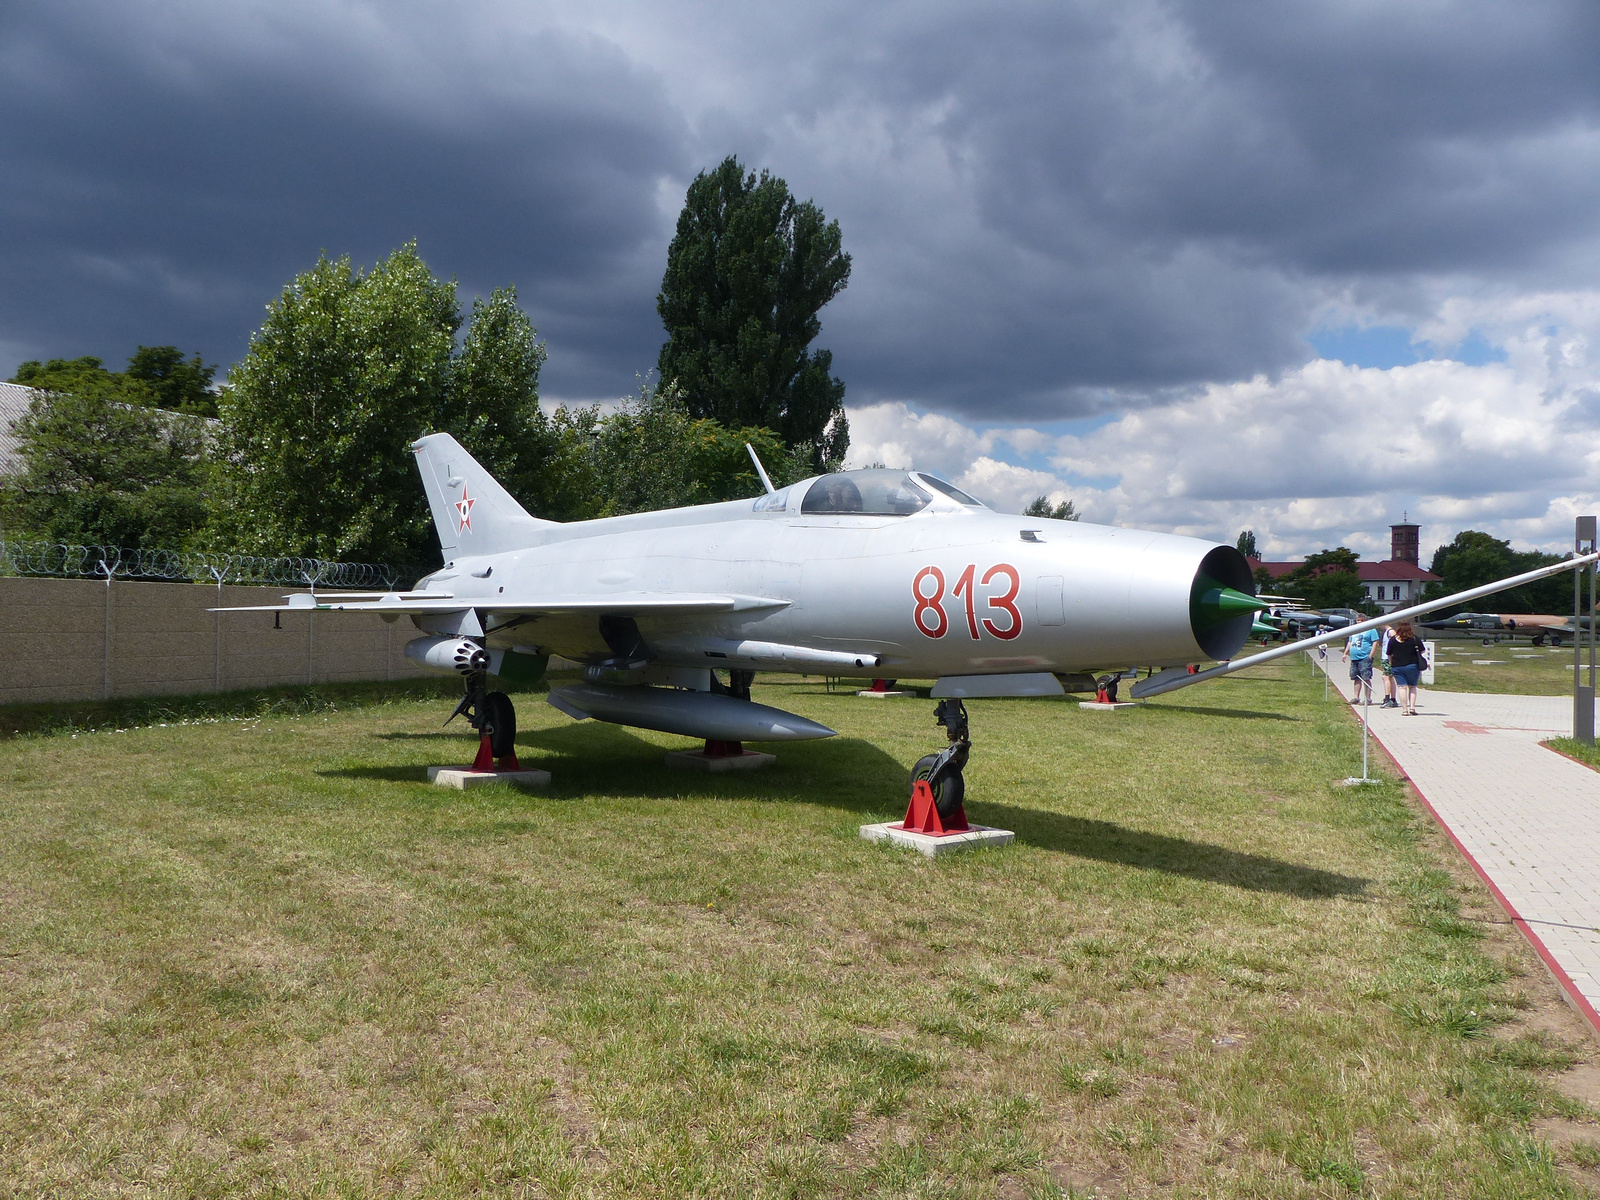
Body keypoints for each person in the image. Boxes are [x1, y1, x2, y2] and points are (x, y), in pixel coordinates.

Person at [1386, 619, 1427, 715]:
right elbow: (1422, 651)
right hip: (1412, 666)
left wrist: (1391, 663)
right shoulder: (1414, 639)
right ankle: (1412, 707)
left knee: (1402, 688)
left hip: (1397, 666)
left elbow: (1389, 653)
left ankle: (1404, 710)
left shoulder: (1393, 640)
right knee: (1412, 687)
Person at [1345, 624, 1380, 705]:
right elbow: (1350, 642)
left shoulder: (1371, 629)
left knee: (1366, 677)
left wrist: (1370, 655)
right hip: (1354, 658)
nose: (1360, 622)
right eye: (1358, 620)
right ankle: (1356, 697)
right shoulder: (1354, 630)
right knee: (1356, 678)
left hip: (1364, 657)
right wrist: (1345, 653)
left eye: (1362, 620)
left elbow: (1376, 642)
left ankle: (1368, 698)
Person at [1378, 623, 1398, 708]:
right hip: (1385, 657)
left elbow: (1395, 642)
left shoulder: (1390, 631)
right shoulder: (1386, 632)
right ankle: (1393, 699)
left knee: (1385, 677)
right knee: (1390, 677)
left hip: (1388, 658)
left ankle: (1387, 698)